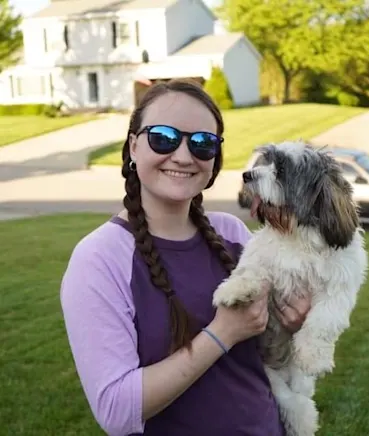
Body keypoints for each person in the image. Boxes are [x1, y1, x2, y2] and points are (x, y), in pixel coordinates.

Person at [60, 79, 311, 436]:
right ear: (133, 146)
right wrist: (222, 333)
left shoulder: (233, 234)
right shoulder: (99, 259)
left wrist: (290, 324)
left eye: (202, 143)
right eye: (163, 137)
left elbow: (265, 358)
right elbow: (116, 411)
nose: (182, 155)